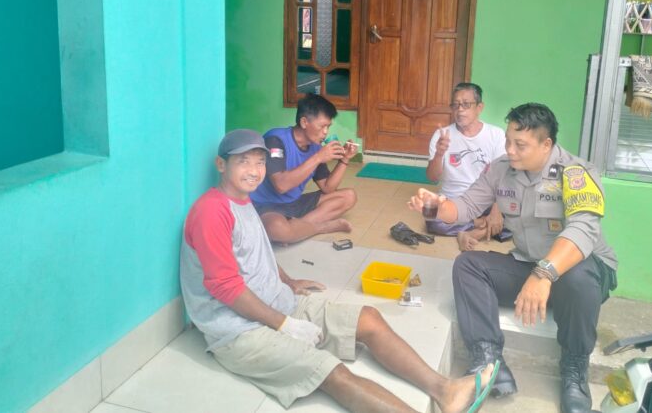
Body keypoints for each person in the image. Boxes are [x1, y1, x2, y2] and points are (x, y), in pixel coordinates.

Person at [180, 128, 498, 413]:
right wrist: (284, 325)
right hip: (239, 330)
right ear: (221, 165)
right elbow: (225, 287)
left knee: (368, 318)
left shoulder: (243, 201)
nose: (254, 171)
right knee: (331, 371)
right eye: (243, 162)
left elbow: (254, 254)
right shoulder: (211, 211)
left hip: (277, 303)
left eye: (259, 162)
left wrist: (287, 281)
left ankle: (446, 391)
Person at [409, 103, 618, 413]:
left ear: (546, 144)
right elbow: (465, 207)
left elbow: (582, 232)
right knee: (468, 265)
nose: (510, 150)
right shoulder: (500, 169)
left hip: (581, 272)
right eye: (508, 141)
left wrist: (543, 274)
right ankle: (488, 361)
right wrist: (440, 206)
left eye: (520, 144)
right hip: (531, 266)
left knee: (578, 276)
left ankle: (575, 369)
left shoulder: (576, 172)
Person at [251, 93, 357, 244]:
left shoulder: (315, 148)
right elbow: (281, 185)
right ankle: (319, 227)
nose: (325, 132)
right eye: (322, 126)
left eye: (328, 127)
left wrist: (344, 159)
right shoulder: (275, 140)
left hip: (294, 202)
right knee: (277, 228)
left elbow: (327, 188)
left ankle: (296, 229)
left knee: (349, 196)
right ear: (304, 122)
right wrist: (319, 157)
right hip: (267, 205)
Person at [426, 83, 507, 251]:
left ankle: (469, 233)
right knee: (431, 216)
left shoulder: (496, 135)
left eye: (466, 104)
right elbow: (432, 177)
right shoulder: (441, 135)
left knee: (519, 216)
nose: (460, 110)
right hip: (453, 200)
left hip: (485, 201)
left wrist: (496, 210)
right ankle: (480, 225)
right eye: (455, 105)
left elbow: (503, 177)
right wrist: (439, 154)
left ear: (479, 107)